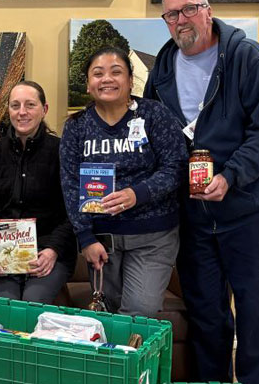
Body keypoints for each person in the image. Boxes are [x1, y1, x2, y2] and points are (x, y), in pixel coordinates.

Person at [145, 0, 259, 384]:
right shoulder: (164, 66)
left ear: (208, 11)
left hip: (249, 212)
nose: (180, 20)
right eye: (171, 15)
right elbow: (156, 131)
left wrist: (231, 176)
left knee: (256, 315)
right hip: (194, 217)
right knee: (207, 316)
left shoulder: (250, 59)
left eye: (188, 10)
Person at [59, 47, 185, 316]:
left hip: (153, 236)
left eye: (116, 72)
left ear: (130, 80)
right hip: (102, 241)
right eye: (98, 73)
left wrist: (137, 193)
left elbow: (176, 167)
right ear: (88, 84)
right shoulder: (76, 126)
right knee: (107, 317)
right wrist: (85, 237)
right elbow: (70, 184)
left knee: (139, 313)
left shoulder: (154, 115)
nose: (107, 79)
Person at [0, 80, 76, 303]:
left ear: (44, 109)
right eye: (15, 105)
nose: (22, 112)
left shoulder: (62, 152)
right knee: (4, 308)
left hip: (49, 254)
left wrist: (52, 250)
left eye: (30, 105)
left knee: (31, 303)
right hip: (6, 254)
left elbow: (73, 211)